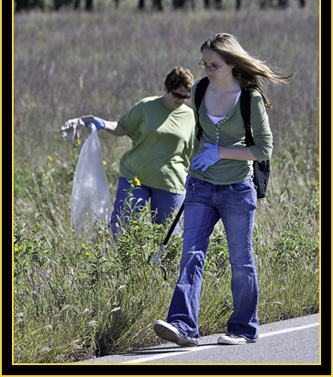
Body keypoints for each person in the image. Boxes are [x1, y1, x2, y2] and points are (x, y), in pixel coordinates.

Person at [153, 33, 292, 346]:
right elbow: (198, 135)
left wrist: (219, 152)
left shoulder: (250, 99)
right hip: (201, 187)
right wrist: (191, 164)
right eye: (204, 64)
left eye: (214, 64)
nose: (208, 70)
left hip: (237, 190)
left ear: (231, 63)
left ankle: (243, 329)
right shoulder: (201, 90)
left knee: (240, 261)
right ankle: (183, 327)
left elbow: (264, 149)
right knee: (191, 255)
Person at [87, 66, 195, 238]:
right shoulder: (146, 106)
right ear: (167, 89)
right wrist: (103, 124)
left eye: (186, 96)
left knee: (168, 235)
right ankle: (123, 264)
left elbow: (194, 151)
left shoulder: (191, 116)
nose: (181, 100)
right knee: (122, 227)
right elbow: (122, 127)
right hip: (135, 177)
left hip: (171, 183)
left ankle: (163, 265)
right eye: (177, 94)